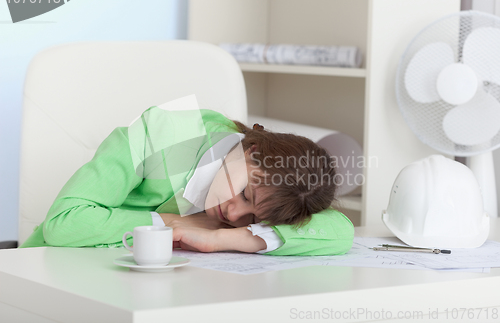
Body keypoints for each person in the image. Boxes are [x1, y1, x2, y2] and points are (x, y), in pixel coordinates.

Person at [20, 104, 354, 255]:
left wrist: (229, 240)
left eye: (253, 218)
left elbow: (341, 232)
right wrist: (172, 222)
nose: (235, 216)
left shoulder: (278, 195)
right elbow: (63, 223)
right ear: (251, 149)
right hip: (53, 270)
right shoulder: (155, 136)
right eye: (245, 195)